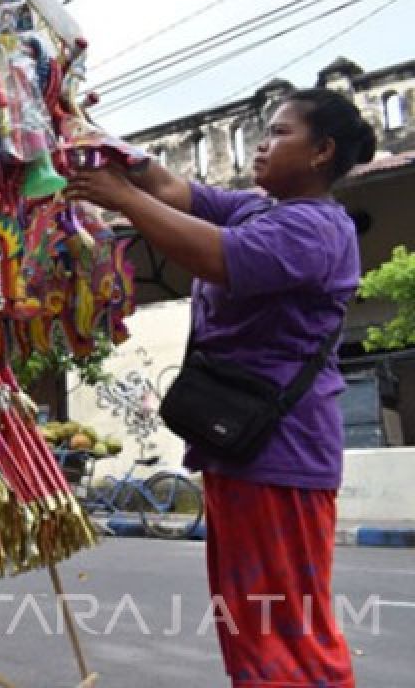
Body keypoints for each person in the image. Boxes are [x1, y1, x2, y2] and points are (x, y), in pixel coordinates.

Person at [67, 88, 375, 688]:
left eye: (281, 133)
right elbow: (175, 191)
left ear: (322, 152)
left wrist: (121, 199)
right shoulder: (263, 210)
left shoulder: (315, 228)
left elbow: (220, 258)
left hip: (280, 457)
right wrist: (99, 141)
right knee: (252, 627)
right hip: (244, 450)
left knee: (288, 634)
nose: (263, 144)